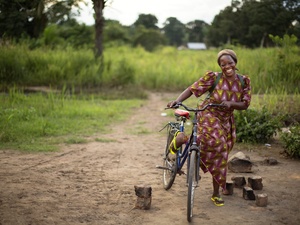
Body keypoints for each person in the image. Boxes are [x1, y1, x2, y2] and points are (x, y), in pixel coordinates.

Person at [167, 49, 251, 206]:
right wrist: (177, 100)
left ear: (235, 62)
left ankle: (215, 193)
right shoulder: (214, 77)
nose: (227, 66)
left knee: (222, 154)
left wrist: (232, 104)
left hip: (226, 119)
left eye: (230, 63)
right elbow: (192, 89)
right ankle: (182, 139)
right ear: (220, 66)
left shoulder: (243, 81)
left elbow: (245, 104)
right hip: (208, 112)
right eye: (223, 64)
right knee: (217, 143)